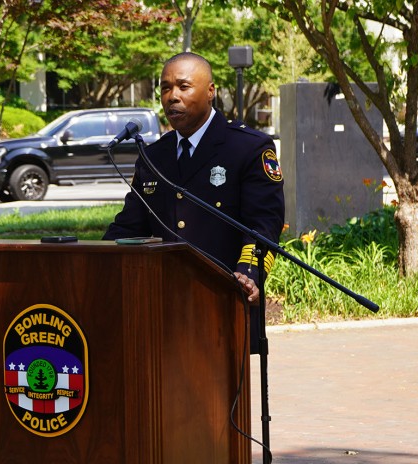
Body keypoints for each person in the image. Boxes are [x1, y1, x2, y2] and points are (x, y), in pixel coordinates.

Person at [103, 52, 285, 305]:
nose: (172, 96)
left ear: (210, 91)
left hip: (226, 297)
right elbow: (129, 226)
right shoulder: (153, 156)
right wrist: (94, 259)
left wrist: (248, 273)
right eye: (165, 88)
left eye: (183, 86)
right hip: (163, 302)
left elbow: (264, 223)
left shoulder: (247, 147)